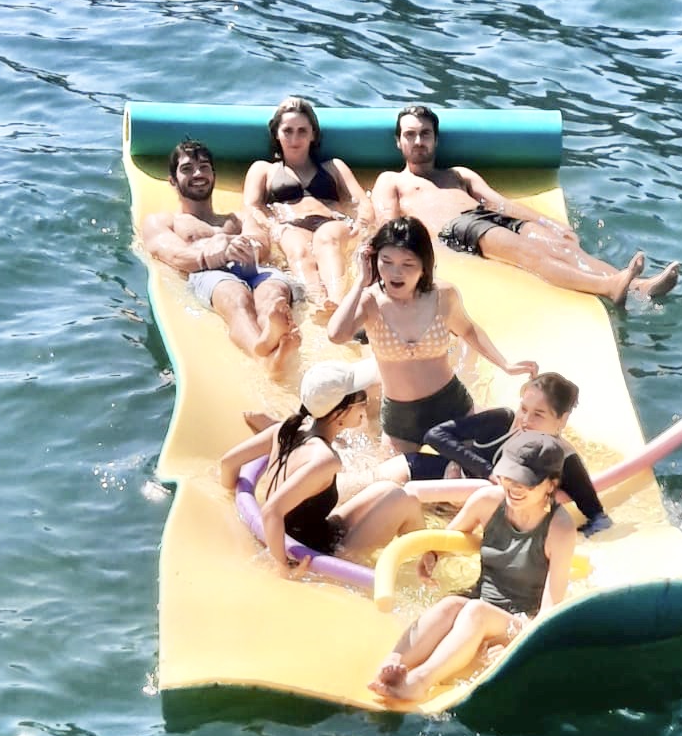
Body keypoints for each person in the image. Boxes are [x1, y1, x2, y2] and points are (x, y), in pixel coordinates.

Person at [371, 104, 679, 306]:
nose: (419, 141)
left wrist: (550, 224)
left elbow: (500, 204)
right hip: (458, 228)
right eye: (410, 135)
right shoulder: (392, 180)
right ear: (399, 142)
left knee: (563, 247)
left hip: (484, 216)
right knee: (529, 253)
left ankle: (639, 286)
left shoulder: (458, 174)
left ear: (436, 139)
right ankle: (607, 287)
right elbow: (389, 226)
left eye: (425, 134)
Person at [369, 432, 576, 702]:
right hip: (479, 603)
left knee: (475, 611)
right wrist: (432, 556)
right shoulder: (487, 501)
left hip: (518, 621)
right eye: (509, 476)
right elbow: (446, 539)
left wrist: (512, 648)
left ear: (551, 484)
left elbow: (548, 613)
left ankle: (420, 681)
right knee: (451, 605)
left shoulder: (560, 529)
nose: (514, 487)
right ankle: (393, 663)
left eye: (526, 482)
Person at [327, 215, 538, 455]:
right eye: (386, 261)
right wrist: (360, 283)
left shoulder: (442, 295)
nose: (396, 273)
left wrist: (505, 365)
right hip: (400, 417)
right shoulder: (370, 302)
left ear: (424, 265)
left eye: (407, 264)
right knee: (393, 477)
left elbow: (468, 330)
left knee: (477, 467)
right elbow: (336, 335)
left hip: (450, 405)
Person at [219, 360, 423, 575]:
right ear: (339, 412)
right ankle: (425, 571)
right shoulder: (324, 460)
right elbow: (272, 511)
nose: (366, 405)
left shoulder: (286, 429)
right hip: (316, 557)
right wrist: (282, 567)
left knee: (389, 489)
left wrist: (231, 499)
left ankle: (424, 560)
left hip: (317, 533)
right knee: (407, 501)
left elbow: (228, 463)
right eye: (361, 399)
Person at [379, 371, 612, 536]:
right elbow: (435, 435)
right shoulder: (503, 421)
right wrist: (487, 471)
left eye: (538, 414)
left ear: (562, 419)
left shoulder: (564, 459)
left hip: (469, 513)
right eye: (524, 409)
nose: (525, 420)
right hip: (445, 478)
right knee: (381, 482)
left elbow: (598, 516)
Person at [141, 139, 300, 376]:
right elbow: (172, 254)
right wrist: (211, 254)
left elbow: (262, 242)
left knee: (273, 293)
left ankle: (271, 335)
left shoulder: (239, 218)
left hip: (254, 267)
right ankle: (263, 357)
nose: (198, 174)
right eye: (187, 169)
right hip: (210, 273)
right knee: (235, 295)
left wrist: (242, 245)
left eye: (204, 167)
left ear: (213, 175)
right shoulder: (165, 221)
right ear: (172, 180)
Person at [243, 95, 373, 320]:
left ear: (313, 134)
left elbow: (362, 201)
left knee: (327, 240)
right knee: (297, 250)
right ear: (277, 133)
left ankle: (337, 301)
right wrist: (272, 226)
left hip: (330, 221)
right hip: (289, 225)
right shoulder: (264, 170)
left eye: (302, 131)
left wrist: (361, 224)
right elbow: (252, 207)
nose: (295, 138)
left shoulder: (334, 167)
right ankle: (319, 303)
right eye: (288, 131)